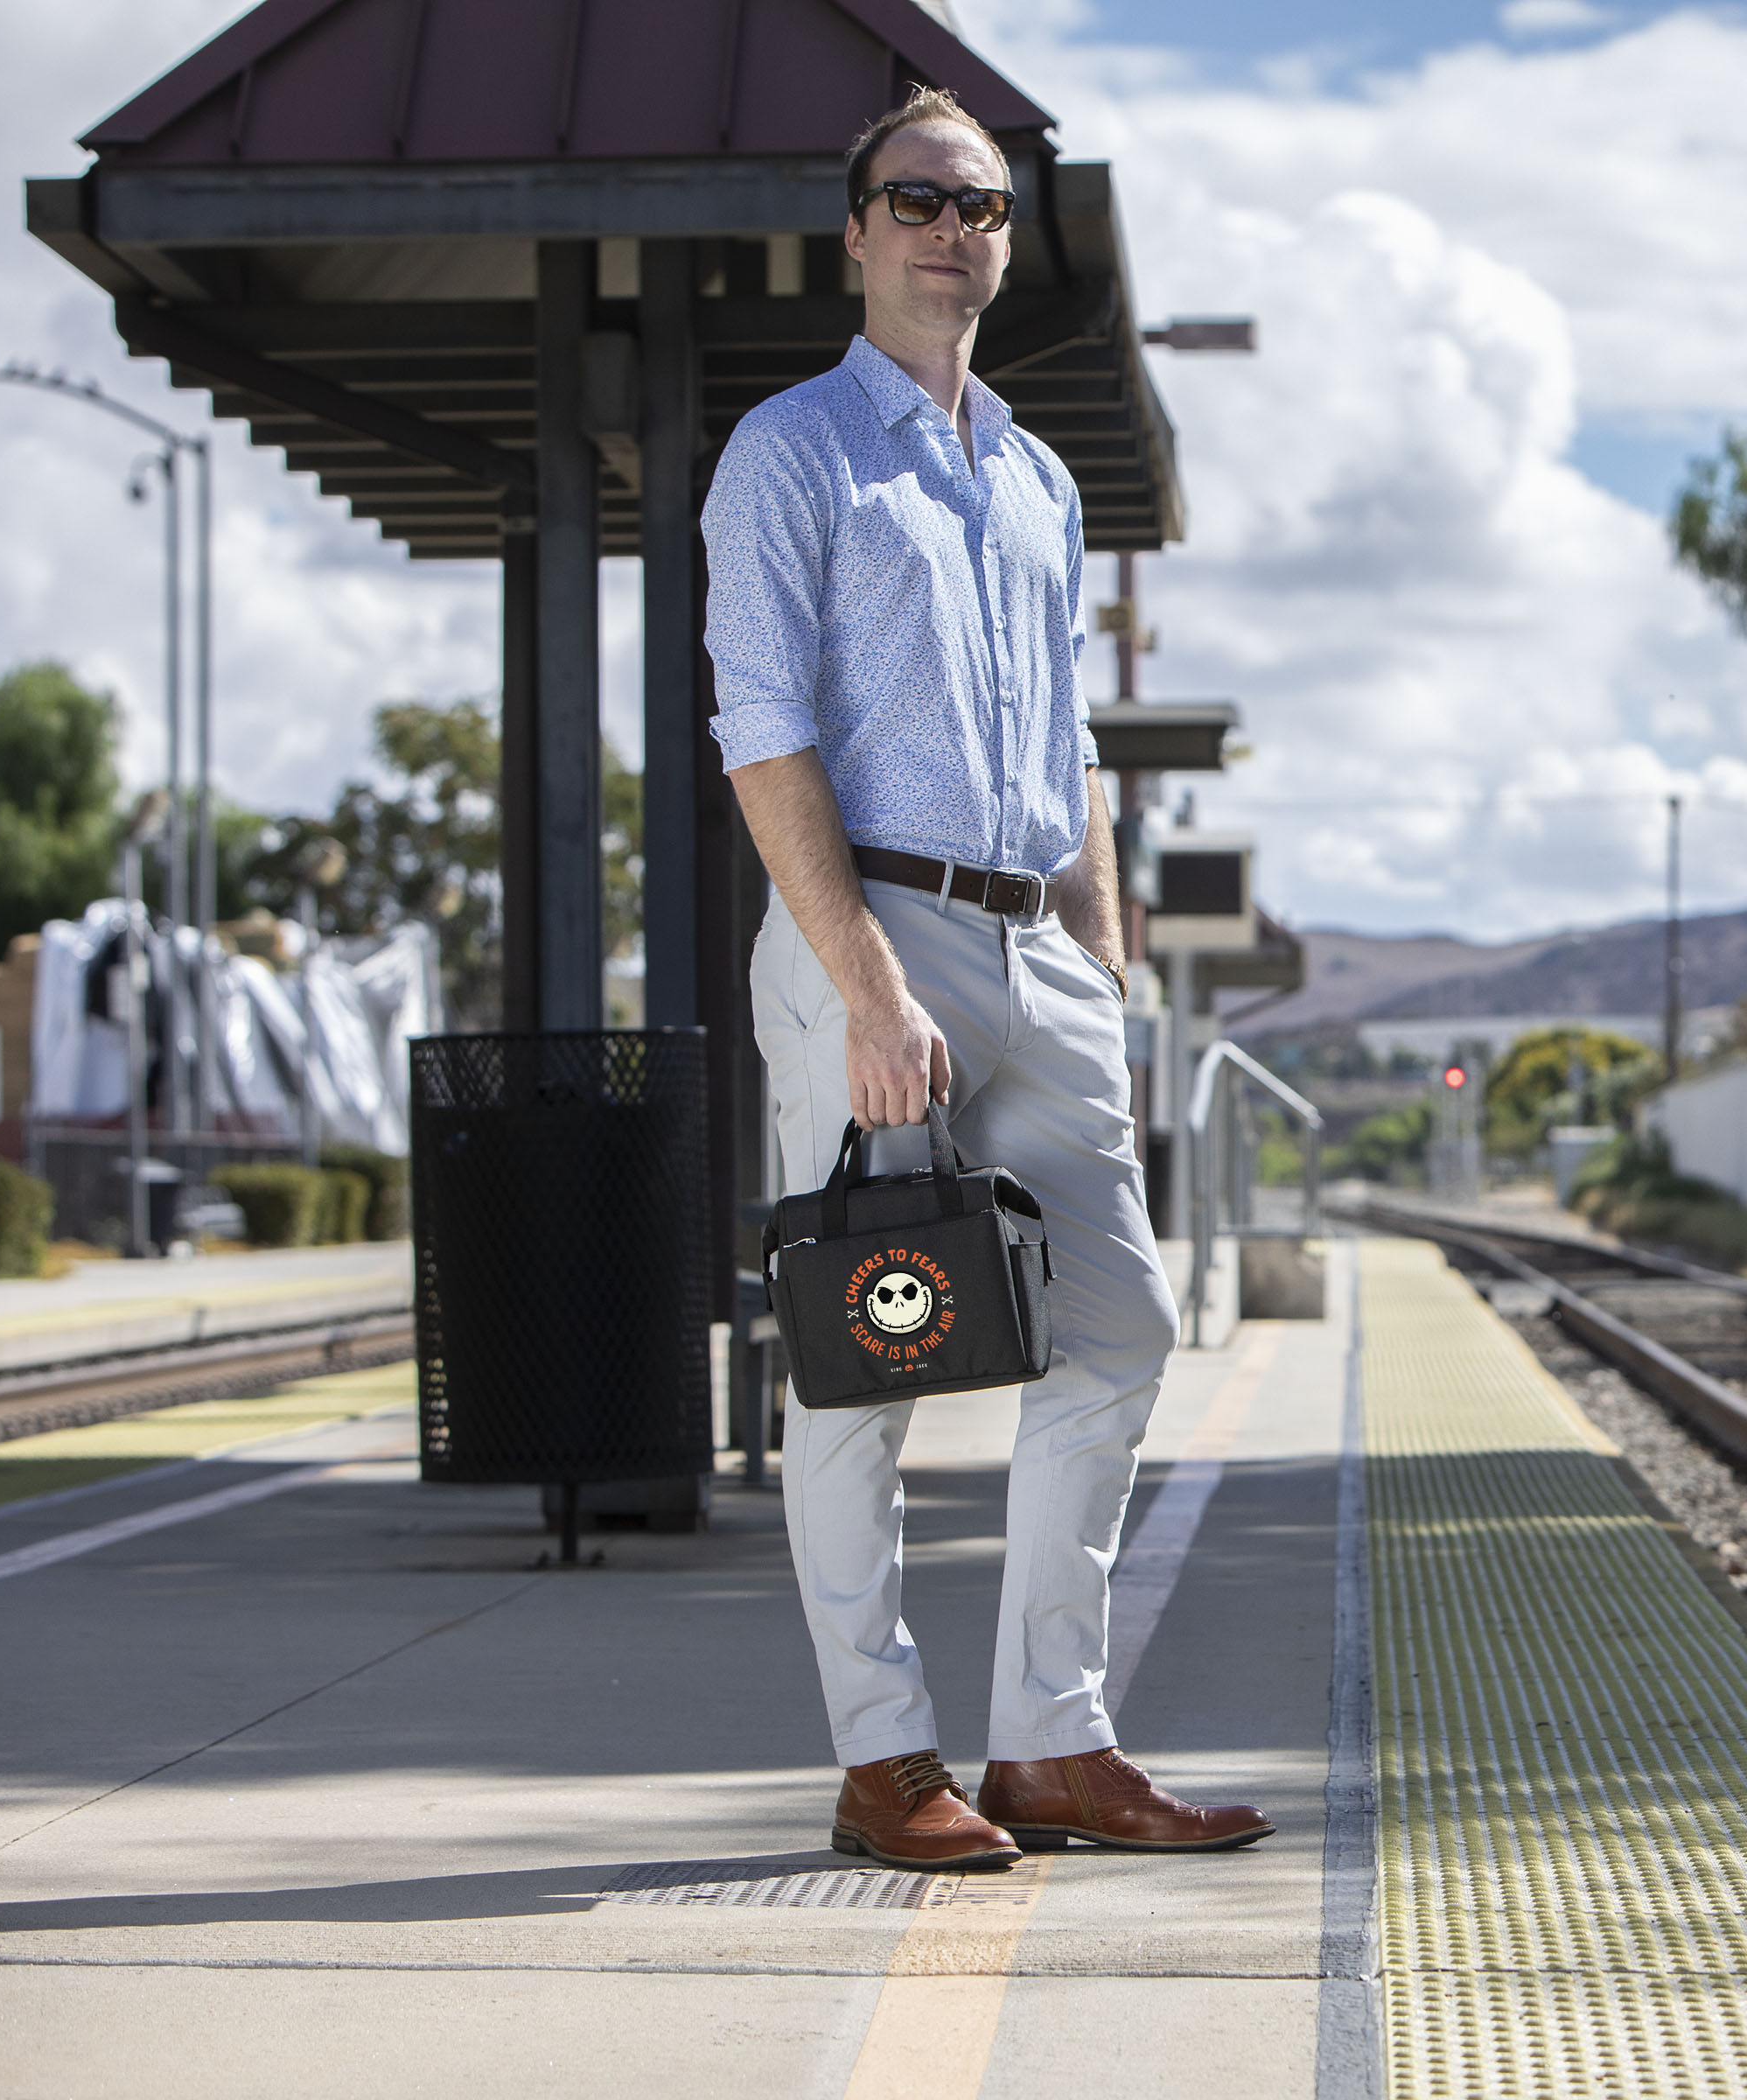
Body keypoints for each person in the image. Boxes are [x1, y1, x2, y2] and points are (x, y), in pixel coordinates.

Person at [703, 85, 1269, 1871]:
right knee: (862, 1362)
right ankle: (886, 1760)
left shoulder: (1034, 477)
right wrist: (863, 984)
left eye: (983, 209)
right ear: (855, 234)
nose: (954, 231)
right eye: (918, 201)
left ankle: (1049, 1740)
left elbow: (1069, 740)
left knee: (1118, 1325)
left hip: (1040, 946)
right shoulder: (791, 454)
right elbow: (766, 737)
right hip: (872, 932)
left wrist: (1099, 955)